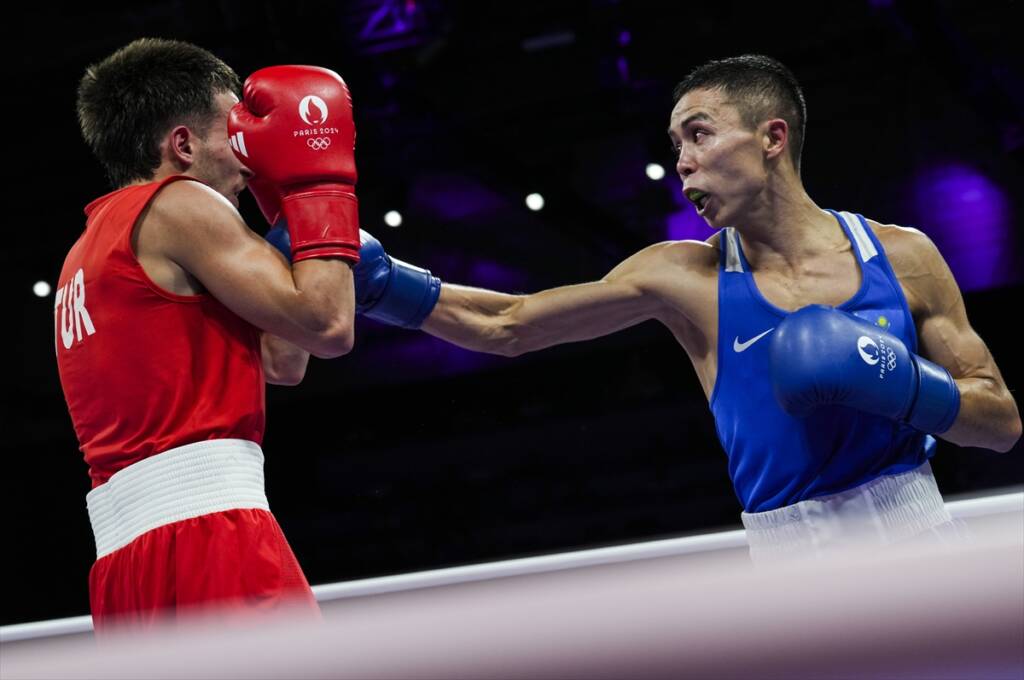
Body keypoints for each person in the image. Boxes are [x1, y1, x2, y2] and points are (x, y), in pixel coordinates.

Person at [329, 54, 1021, 562]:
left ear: (772, 139)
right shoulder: (682, 276)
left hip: (923, 542)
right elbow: (507, 324)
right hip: (795, 569)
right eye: (676, 147)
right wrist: (382, 283)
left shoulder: (903, 256)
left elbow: (1001, 423)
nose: (683, 163)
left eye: (700, 134)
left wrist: (900, 385)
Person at [55, 37, 360, 631]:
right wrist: (317, 186)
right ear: (184, 144)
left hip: (124, 569)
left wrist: (283, 220)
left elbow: (283, 359)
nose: (251, 152)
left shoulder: (85, 252)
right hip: (211, 539)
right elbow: (327, 324)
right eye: (235, 130)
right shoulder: (179, 203)